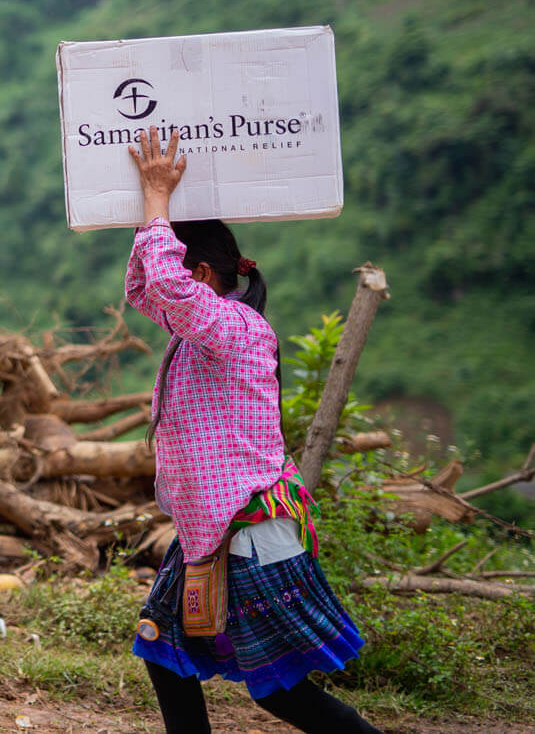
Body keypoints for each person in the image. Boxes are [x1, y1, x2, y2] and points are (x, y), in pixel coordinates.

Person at [124, 128, 381, 734]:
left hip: (248, 531)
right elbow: (145, 287)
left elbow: (165, 285)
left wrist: (159, 197)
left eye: (185, 273)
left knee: (281, 692)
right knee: (165, 652)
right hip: (210, 530)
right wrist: (149, 217)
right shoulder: (200, 328)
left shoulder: (235, 328)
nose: (174, 289)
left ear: (204, 275)